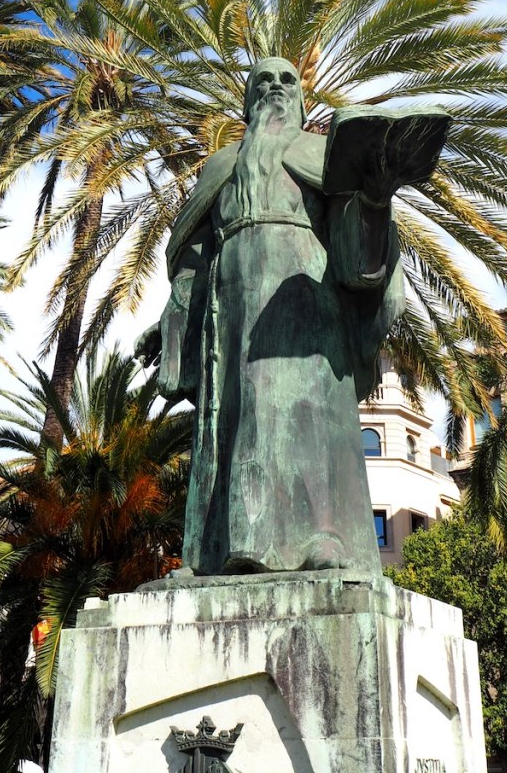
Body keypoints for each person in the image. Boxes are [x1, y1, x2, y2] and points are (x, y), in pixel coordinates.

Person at [137, 58, 449, 576]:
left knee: (307, 417)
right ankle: (220, 552)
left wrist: (373, 200)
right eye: (264, 81)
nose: (276, 89)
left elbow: (357, 255)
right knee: (232, 419)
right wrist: (174, 317)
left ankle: (321, 541)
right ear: (247, 99)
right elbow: (193, 256)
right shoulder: (221, 167)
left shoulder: (321, 158)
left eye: (287, 81)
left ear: (302, 101)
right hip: (230, 310)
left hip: (308, 302)